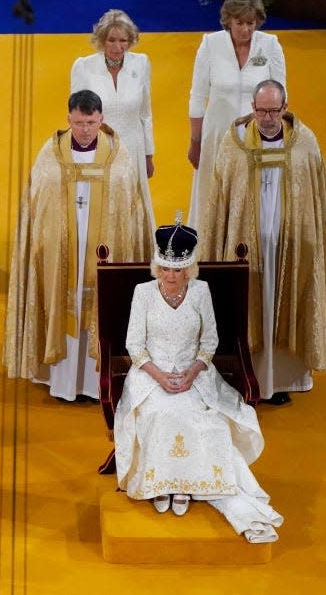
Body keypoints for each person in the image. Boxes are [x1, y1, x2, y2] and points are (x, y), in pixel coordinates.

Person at [114, 219, 283, 543]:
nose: (170, 277)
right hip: (151, 374)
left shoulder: (201, 291)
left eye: (177, 271)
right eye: (164, 269)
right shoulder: (143, 293)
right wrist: (162, 377)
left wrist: (191, 373)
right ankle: (161, 484)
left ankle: (184, 485)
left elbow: (210, 341)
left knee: (204, 418)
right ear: (157, 266)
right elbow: (134, 345)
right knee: (159, 414)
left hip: (195, 374)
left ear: (188, 269)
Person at [3, 90, 152, 402]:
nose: (85, 130)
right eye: (79, 123)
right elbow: (38, 202)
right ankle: (63, 383)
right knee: (65, 304)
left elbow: (131, 208)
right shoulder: (51, 154)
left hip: (103, 252)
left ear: (101, 120)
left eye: (91, 123)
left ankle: (97, 382)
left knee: (99, 306)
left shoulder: (118, 156)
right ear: (68, 119)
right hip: (63, 253)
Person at [201, 80, 326, 406]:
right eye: (260, 110)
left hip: (291, 245)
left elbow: (316, 197)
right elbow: (220, 200)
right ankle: (245, 375)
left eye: (273, 110)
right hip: (247, 245)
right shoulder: (235, 143)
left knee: (282, 302)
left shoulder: (304, 143)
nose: (267, 117)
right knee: (248, 304)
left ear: (285, 108)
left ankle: (282, 380)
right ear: (252, 108)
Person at [186, 0, 286, 231]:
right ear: (227, 20)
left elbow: (282, 94)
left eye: (251, 23)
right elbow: (198, 97)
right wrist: (195, 141)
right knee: (213, 194)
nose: (245, 29)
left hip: (259, 137)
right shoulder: (210, 44)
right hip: (217, 135)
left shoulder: (270, 45)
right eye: (239, 22)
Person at [71, 9, 154, 226]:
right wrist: (79, 155)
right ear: (101, 40)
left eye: (123, 40)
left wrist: (148, 154)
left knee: (132, 212)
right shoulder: (84, 67)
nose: (118, 47)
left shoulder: (141, 63)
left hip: (134, 150)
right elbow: (76, 117)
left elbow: (145, 113)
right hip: (99, 150)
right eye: (112, 40)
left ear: (131, 40)